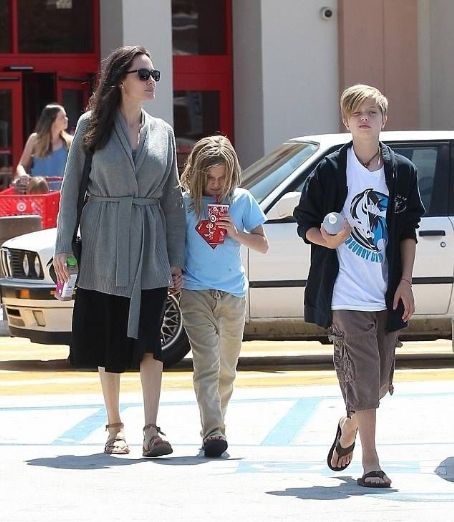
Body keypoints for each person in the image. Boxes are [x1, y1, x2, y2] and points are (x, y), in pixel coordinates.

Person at [53, 46, 185, 457]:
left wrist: (176, 258)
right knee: (109, 338)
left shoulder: (162, 132)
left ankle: (151, 429)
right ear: (120, 80)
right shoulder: (92, 125)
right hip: (103, 242)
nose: (151, 81)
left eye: (154, 74)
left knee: (151, 341)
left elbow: (172, 199)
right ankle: (114, 427)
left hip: (149, 247)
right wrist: (63, 246)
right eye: (143, 74)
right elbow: (72, 189)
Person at [293, 84, 424, 487]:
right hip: (344, 295)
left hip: (384, 294)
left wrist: (405, 281)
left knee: (379, 383)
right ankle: (371, 459)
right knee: (365, 378)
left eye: (371, 112)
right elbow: (305, 223)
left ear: (385, 119)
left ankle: (348, 429)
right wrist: (325, 239)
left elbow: (407, 231)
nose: (363, 118)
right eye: (356, 113)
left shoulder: (401, 171)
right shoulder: (331, 170)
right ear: (345, 121)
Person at [179, 135, 269, 457]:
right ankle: (213, 432)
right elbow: (176, 245)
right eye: (209, 178)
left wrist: (235, 232)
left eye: (221, 178)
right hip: (195, 293)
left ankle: (216, 423)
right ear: (197, 173)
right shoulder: (186, 202)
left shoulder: (242, 200)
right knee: (206, 364)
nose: (216, 185)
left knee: (226, 369)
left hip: (232, 294)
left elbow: (262, 244)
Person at [14, 103, 72, 193]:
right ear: (51, 121)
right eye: (62, 117)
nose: (66, 119)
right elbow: (22, 165)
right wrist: (23, 175)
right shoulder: (34, 139)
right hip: (38, 195)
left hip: (60, 195)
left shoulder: (69, 142)